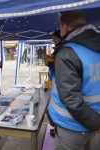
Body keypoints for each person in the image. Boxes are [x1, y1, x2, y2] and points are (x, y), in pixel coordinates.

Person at [49, 10, 100, 150]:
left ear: (64, 26)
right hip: (90, 123)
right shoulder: (95, 46)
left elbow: (71, 99)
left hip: (71, 126)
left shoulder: (68, 52)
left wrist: (97, 123)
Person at [44, 30, 61, 137]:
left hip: (58, 84)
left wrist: (48, 60)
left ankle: (58, 129)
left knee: (51, 110)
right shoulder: (57, 50)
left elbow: (57, 65)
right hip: (54, 82)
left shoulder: (62, 50)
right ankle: (56, 128)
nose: (53, 40)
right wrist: (48, 60)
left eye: (55, 38)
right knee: (51, 110)